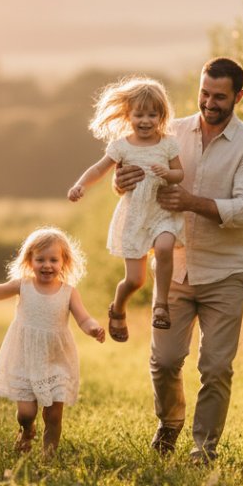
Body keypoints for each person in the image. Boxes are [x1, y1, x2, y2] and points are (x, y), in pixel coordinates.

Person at [114, 58, 243, 464]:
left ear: (238, 97)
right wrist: (121, 182)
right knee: (164, 362)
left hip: (225, 272)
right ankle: (170, 423)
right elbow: (135, 178)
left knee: (216, 366)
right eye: (204, 93)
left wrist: (191, 203)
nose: (209, 102)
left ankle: (204, 448)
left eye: (219, 96)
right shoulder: (172, 133)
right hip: (174, 270)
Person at [0, 227, 105, 456]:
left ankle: (48, 454)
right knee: (26, 412)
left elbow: (83, 317)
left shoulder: (69, 292)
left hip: (56, 358)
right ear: (29, 260)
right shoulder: (22, 285)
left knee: (53, 414)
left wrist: (93, 328)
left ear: (64, 262)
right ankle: (26, 429)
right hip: (25, 356)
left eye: (53, 259)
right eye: (40, 259)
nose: (47, 265)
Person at [67, 77, 184, 341]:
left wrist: (168, 172)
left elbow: (180, 173)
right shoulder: (121, 146)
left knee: (165, 247)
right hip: (134, 217)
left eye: (152, 115)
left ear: (162, 116)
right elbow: (99, 169)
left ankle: (161, 306)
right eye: (139, 114)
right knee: (135, 281)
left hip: (162, 212)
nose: (145, 120)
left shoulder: (167, 144)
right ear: (128, 114)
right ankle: (118, 307)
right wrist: (80, 185)